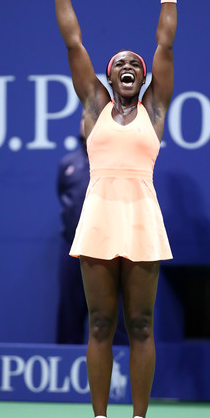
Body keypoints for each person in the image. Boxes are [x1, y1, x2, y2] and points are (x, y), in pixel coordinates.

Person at [47, 0, 179, 418]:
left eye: (135, 64)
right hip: (99, 217)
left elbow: (165, 43)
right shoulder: (93, 107)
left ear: (143, 79)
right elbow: (73, 42)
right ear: (106, 78)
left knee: (141, 324)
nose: (129, 65)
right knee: (100, 322)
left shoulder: (156, 108)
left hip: (142, 218)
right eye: (119, 63)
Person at [56, 112, 128, 345]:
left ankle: (119, 371)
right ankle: (65, 368)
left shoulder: (118, 163)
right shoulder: (68, 164)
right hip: (73, 250)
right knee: (70, 313)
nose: (87, 123)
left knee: (110, 314)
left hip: (108, 251)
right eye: (84, 118)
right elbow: (62, 197)